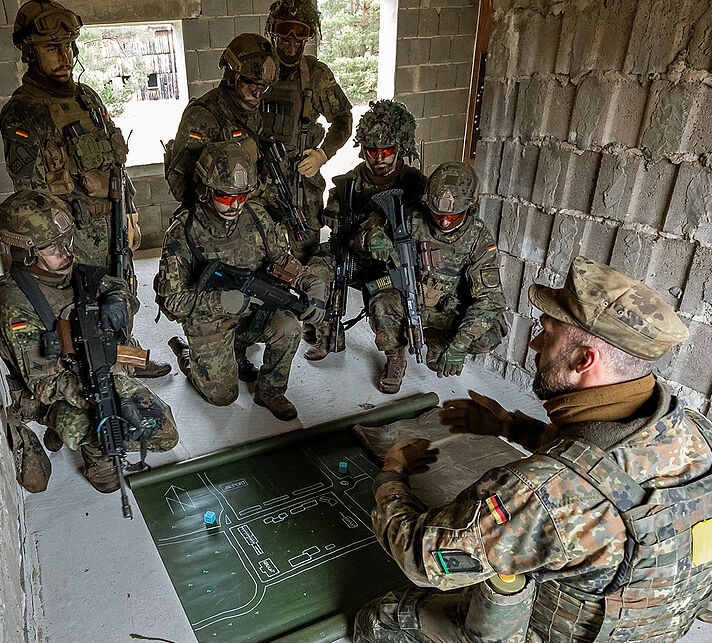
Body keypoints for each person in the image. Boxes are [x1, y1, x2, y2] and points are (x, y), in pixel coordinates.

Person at [352, 256, 712, 643]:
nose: (532, 343)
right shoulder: (697, 432)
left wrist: (391, 473)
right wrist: (511, 426)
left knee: (381, 622)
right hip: (652, 631)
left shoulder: (540, 493)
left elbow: (420, 557)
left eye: (547, 334)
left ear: (585, 359)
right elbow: (607, 463)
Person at [0, 0, 170, 377]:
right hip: (70, 240)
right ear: (30, 53)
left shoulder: (86, 98)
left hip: (110, 224)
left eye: (69, 46)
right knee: (84, 310)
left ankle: (126, 355)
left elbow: (113, 163)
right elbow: (32, 198)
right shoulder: (24, 112)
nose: (65, 56)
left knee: (123, 295)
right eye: (51, 48)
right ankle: (89, 383)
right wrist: (63, 241)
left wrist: (128, 213)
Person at [0, 190, 178, 493]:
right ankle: (92, 453)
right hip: (59, 388)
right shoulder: (16, 302)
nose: (67, 252)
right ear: (26, 253)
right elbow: (42, 381)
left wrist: (119, 301)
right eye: (54, 247)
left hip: (100, 366)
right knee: (125, 424)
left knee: (165, 432)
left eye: (68, 241)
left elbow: (115, 286)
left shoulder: (67, 269)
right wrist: (102, 395)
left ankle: (72, 428)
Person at [155, 141, 331, 421]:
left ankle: (269, 391)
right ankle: (189, 356)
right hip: (208, 317)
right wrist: (221, 300)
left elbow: (281, 260)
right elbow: (173, 300)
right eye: (225, 196)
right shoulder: (184, 231)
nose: (235, 205)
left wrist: (309, 282)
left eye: (242, 195)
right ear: (207, 189)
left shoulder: (257, 216)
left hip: (253, 308)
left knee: (289, 326)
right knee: (222, 397)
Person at [356, 161, 507, 393]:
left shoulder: (478, 237)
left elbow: (490, 299)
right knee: (380, 303)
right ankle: (396, 356)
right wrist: (372, 238)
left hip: (447, 310)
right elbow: (358, 238)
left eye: (454, 216)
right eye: (438, 215)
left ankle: (437, 342)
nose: (445, 221)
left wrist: (459, 345)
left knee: (491, 332)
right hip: (410, 299)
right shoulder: (410, 218)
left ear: (470, 207)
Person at [311, 99, 426, 361]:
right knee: (316, 276)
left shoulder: (415, 184)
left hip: (391, 266)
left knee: (385, 302)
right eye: (373, 151)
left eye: (387, 152)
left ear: (401, 149)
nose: (380, 159)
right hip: (352, 259)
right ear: (363, 150)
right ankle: (327, 335)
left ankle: (395, 356)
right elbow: (337, 222)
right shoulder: (350, 182)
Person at [260, 0, 353, 257]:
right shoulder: (257, 68)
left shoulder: (316, 74)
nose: (291, 45)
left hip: (302, 178)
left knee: (305, 250)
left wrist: (322, 155)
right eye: (284, 37)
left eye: (299, 39)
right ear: (274, 33)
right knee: (261, 249)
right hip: (261, 179)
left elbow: (344, 119)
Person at [164, 33, 279, 205]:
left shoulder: (251, 113)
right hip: (213, 218)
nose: (258, 93)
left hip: (246, 208)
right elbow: (180, 188)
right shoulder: (202, 116)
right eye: (252, 84)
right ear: (233, 77)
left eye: (264, 87)